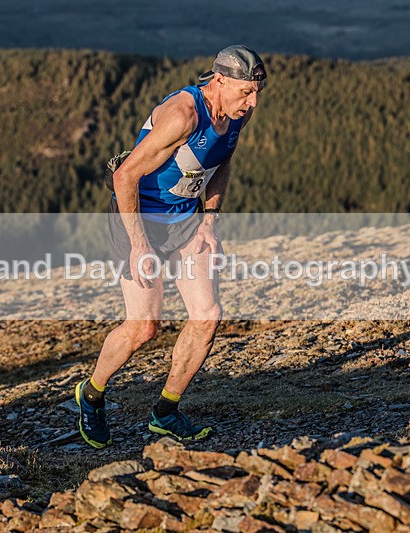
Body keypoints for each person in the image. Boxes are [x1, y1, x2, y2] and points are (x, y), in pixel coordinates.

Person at [74, 45, 267, 448]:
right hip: (138, 220)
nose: (251, 103)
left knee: (207, 315)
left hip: (185, 221)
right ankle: (91, 395)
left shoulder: (235, 113)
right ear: (218, 81)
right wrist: (139, 245)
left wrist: (209, 223)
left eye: (255, 93)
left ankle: (165, 412)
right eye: (245, 92)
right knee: (143, 327)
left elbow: (222, 160)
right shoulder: (183, 115)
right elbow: (124, 177)